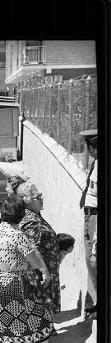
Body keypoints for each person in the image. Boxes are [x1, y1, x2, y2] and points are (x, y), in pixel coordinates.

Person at [0, 197, 58, 343]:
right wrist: (45, 272)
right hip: (17, 284)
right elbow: (33, 259)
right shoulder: (17, 235)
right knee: (44, 318)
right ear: (20, 214)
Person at [17, 182, 61, 318]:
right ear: (27, 200)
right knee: (41, 313)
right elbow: (33, 249)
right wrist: (45, 272)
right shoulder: (30, 220)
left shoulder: (36, 215)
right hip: (41, 274)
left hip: (47, 270)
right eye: (37, 197)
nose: (42, 199)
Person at [78, 129, 97, 319]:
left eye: (88, 146)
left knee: (93, 261)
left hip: (95, 218)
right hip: (89, 216)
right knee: (89, 261)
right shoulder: (95, 163)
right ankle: (93, 305)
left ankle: (96, 305)